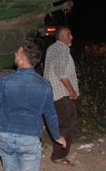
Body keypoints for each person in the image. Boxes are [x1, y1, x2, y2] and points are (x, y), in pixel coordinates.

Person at [0, 41, 67, 171]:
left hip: (6, 138)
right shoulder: (44, 85)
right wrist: (57, 136)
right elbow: (50, 115)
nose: (15, 54)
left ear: (22, 60)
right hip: (30, 139)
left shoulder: (4, 81)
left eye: (18, 52)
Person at [43, 26, 79, 165]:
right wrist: (71, 90)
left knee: (59, 123)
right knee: (67, 124)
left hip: (52, 93)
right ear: (62, 36)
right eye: (69, 34)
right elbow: (60, 72)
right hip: (62, 94)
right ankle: (59, 155)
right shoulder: (62, 49)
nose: (72, 36)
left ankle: (58, 151)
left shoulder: (52, 48)